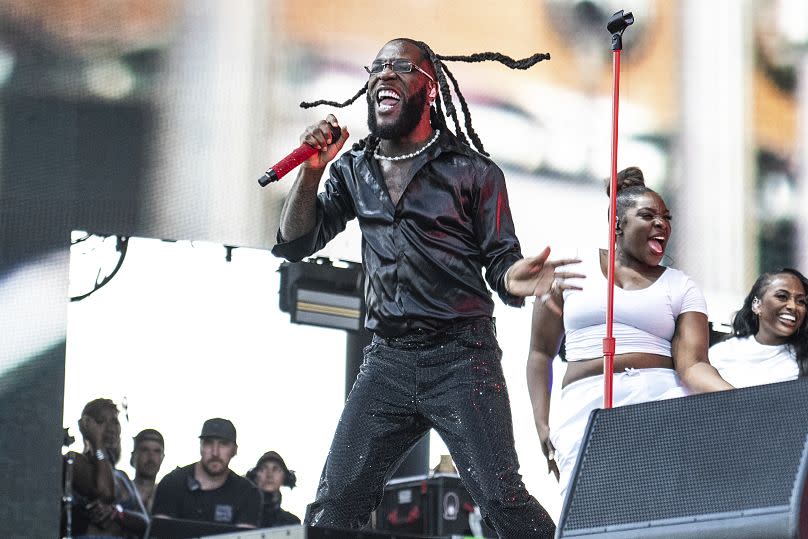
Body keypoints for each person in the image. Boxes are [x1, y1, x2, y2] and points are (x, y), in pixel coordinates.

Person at [272, 37, 576, 537]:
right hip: (388, 360)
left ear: (429, 88)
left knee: (502, 500)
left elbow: (502, 262)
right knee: (334, 509)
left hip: (461, 357)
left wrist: (515, 277)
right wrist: (311, 171)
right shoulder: (354, 170)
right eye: (377, 67)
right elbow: (294, 242)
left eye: (401, 67)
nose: (384, 75)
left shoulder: (474, 173)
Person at [526, 167, 734, 501]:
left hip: (659, 404)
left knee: (656, 512)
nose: (661, 224)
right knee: (589, 512)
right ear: (618, 224)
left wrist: (735, 397)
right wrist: (541, 423)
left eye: (666, 218)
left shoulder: (681, 285)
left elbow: (693, 365)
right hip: (586, 407)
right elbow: (539, 352)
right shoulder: (570, 269)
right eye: (648, 215)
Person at [62, 398, 149, 538]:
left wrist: (118, 514)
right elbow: (106, 493)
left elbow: (145, 523)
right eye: (101, 421)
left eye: (115, 421)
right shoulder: (75, 461)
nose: (111, 428)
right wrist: (97, 444)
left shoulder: (122, 477)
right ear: (87, 426)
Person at [151, 418, 261, 527]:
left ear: (235, 450)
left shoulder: (247, 493)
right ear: (201, 446)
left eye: (223, 444)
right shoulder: (172, 483)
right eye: (209, 443)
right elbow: (160, 532)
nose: (215, 453)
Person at [709, 268, 807, 387]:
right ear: (757, 305)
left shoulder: (803, 358)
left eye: (801, 301)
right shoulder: (721, 353)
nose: (793, 306)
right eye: (782, 296)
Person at [246, 451, 301, 528]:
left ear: (284, 477)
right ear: (255, 476)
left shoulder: (292, 523)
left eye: (276, 469)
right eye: (263, 468)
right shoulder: (241, 518)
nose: (269, 475)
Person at [131, 429, 165, 513]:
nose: (151, 457)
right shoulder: (121, 490)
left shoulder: (168, 495)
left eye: (157, 451)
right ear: (134, 455)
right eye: (145, 450)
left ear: (162, 457)